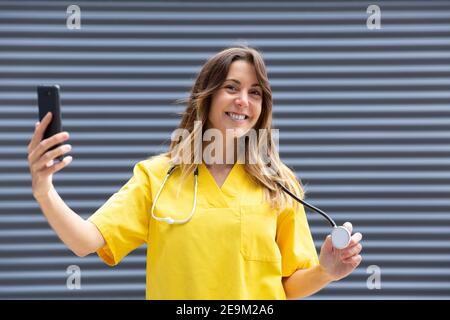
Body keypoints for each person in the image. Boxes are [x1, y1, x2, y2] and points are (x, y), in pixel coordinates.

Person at [28, 46, 363, 300]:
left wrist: (326, 272)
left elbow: (288, 286)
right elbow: (84, 242)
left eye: (255, 92)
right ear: (207, 96)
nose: (243, 101)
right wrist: (44, 189)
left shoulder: (279, 185)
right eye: (232, 87)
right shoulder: (158, 176)